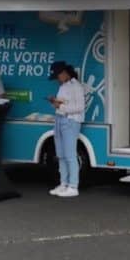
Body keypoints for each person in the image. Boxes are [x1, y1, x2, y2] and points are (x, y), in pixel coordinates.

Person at [47, 60, 86, 198]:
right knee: (61, 155)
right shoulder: (63, 86)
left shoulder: (76, 86)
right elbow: (64, 104)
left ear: (64, 73)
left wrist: (61, 106)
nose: (57, 79)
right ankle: (63, 183)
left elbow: (80, 107)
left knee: (70, 155)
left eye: (57, 76)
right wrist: (55, 102)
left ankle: (73, 186)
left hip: (71, 121)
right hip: (60, 119)